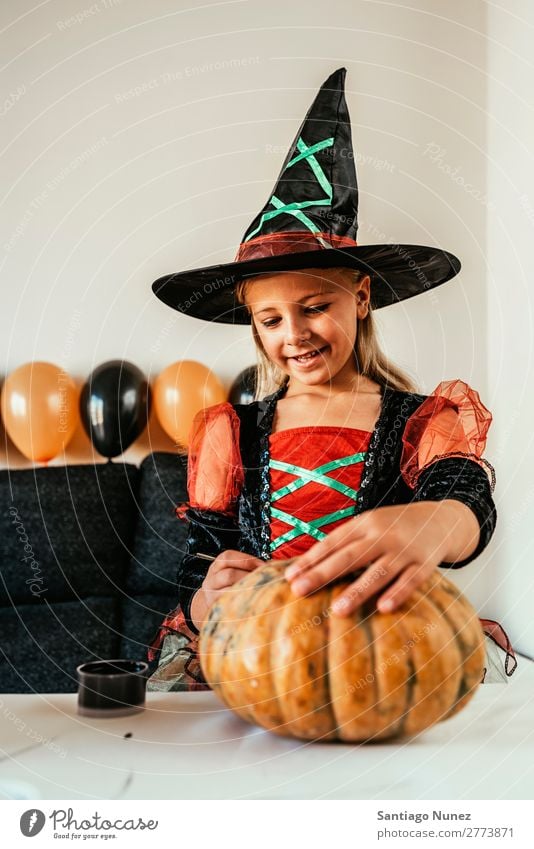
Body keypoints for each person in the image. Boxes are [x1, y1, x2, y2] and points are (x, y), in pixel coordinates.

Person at [147, 68, 515, 690]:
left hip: (379, 648)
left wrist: (432, 522)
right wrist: (208, 597)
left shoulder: (422, 421)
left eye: (315, 306)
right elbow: (202, 561)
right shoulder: (231, 431)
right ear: (255, 326)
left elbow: (467, 503)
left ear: (362, 297)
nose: (294, 334)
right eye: (270, 318)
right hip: (262, 654)